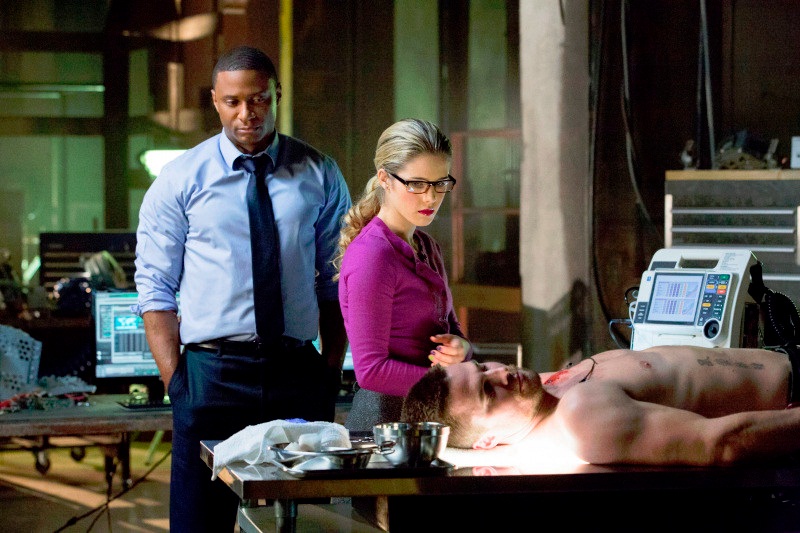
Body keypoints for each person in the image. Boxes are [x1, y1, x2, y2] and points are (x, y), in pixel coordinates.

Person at [133, 45, 351, 532]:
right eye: (232, 101)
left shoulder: (320, 172)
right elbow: (155, 288)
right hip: (212, 375)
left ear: (277, 94)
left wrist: (328, 371)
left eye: (258, 99)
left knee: (309, 524)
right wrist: (178, 386)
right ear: (215, 101)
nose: (246, 113)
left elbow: (336, 279)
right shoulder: (180, 179)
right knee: (200, 525)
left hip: (297, 372)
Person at [402, 345, 800, 465]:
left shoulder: (545, 389)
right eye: (488, 393)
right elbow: (721, 444)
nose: (501, 374)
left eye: (483, 367)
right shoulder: (579, 418)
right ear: (487, 440)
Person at [334, 118, 472, 433]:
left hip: (428, 414)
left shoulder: (426, 245)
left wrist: (461, 349)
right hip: (383, 421)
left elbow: (451, 327)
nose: (431, 197)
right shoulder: (373, 255)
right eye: (417, 184)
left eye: (440, 183)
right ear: (385, 178)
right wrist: (451, 383)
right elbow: (371, 371)